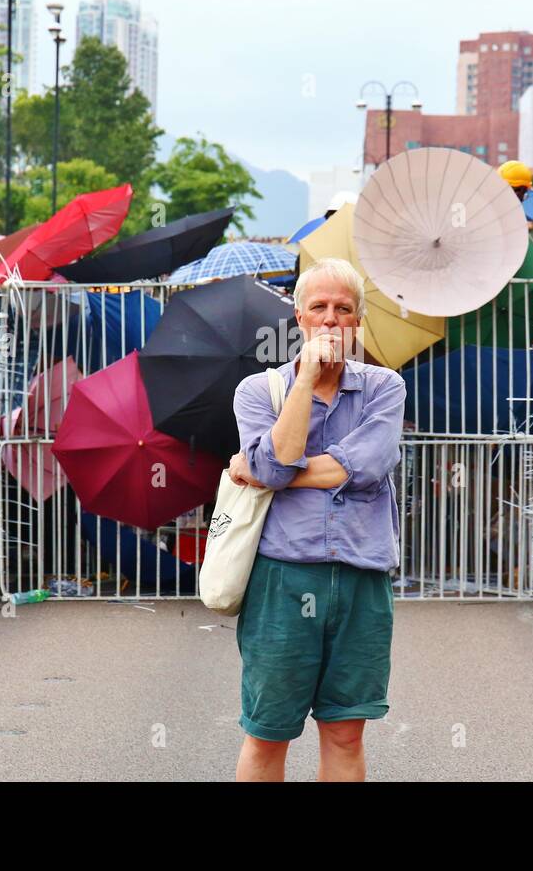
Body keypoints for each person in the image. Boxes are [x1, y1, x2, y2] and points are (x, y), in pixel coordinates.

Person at [228, 257, 406, 782]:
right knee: (268, 731)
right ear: (300, 319)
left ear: (358, 321)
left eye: (343, 309)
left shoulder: (383, 387)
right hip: (283, 577)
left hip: (361, 576)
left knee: (346, 731)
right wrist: (306, 377)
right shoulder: (258, 391)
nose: (330, 319)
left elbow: (367, 465)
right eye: (319, 308)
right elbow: (275, 460)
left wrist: (267, 473)